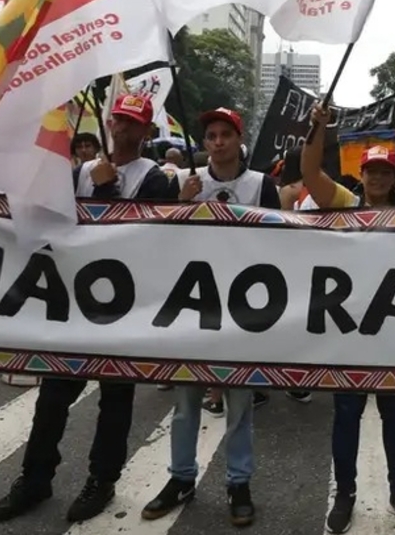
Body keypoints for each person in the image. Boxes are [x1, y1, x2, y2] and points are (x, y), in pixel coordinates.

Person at [0, 94, 177, 525]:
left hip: (125, 311)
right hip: (73, 306)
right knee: (52, 397)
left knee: (115, 401)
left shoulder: (155, 180)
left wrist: (109, 189)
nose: (122, 129)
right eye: (118, 120)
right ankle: (35, 477)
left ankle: (102, 479)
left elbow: (143, 236)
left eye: (132, 123)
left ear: (146, 132)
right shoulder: (79, 173)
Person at [141, 107, 281, 527]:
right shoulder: (185, 184)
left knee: (239, 404)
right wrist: (179, 205)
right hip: (191, 309)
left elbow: (285, 247)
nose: (217, 142)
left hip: (243, 313)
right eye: (211, 136)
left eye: (225, 134)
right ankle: (181, 477)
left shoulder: (262, 185)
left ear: (240, 140)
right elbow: (151, 239)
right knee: (185, 403)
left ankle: (240, 483)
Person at [302, 104, 395, 534]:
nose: (376, 178)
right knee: (346, 417)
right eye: (371, 171)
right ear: (362, 175)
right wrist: (319, 129)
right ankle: (345, 495)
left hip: (392, 335)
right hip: (349, 333)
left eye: (384, 172)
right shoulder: (344, 203)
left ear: (394, 177)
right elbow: (310, 171)